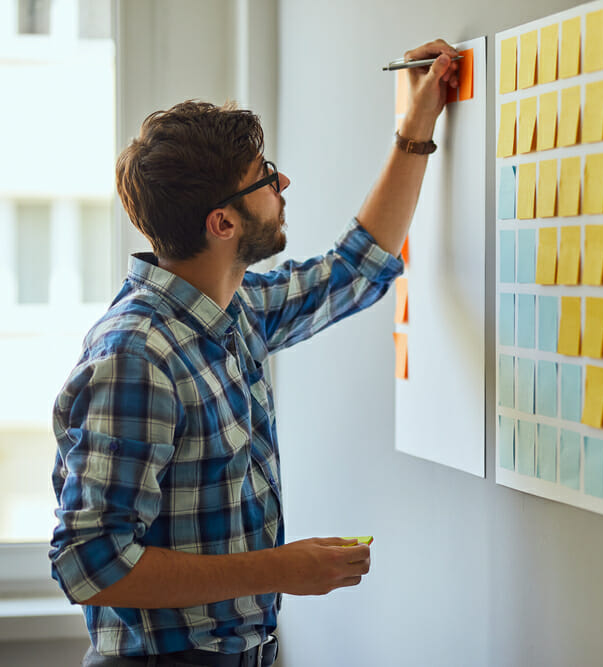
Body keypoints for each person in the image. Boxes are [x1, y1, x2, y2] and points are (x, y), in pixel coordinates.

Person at [49, 40, 459, 666]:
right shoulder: (136, 357)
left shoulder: (233, 311)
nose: (282, 181)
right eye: (266, 177)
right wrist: (278, 569)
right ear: (223, 223)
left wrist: (415, 129)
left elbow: (354, 270)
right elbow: (90, 562)